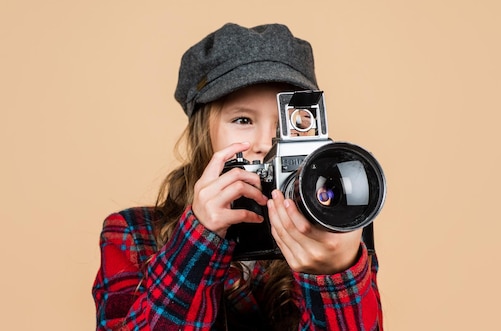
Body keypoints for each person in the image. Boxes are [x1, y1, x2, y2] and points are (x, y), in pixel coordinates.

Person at [92, 23, 383, 331]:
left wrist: (334, 273)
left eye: (288, 125)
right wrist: (198, 239)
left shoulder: (335, 230)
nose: (265, 143)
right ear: (205, 133)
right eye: (243, 119)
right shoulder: (133, 234)